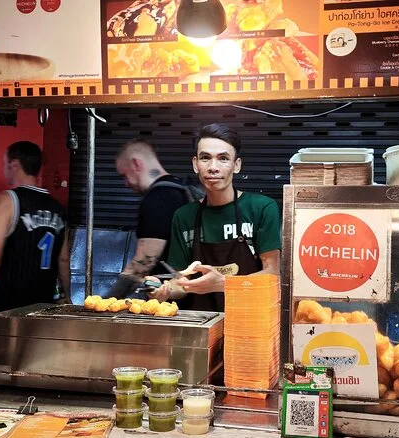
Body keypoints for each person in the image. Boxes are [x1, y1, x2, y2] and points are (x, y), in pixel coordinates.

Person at [149, 123, 281, 311]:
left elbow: (272, 274)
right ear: (195, 164)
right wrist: (164, 290)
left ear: (237, 165)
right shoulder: (184, 216)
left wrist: (224, 283)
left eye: (223, 159)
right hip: (202, 322)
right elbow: (180, 281)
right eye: (205, 158)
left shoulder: (262, 208)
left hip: (251, 318)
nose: (213, 167)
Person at [0, 141, 70, 332]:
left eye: (4, 163)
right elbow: (63, 259)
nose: (4, 169)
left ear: (14, 164)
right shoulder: (58, 208)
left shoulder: (6, 201)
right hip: (43, 305)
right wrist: (67, 297)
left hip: (7, 305)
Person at [108, 139, 195, 296]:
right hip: (189, 292)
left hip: (170, 297)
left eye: (124, 175)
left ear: (136, 164)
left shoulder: (159, 198)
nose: (126, 183)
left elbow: (142, 264)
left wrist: (108, 300)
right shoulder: (181, 189)